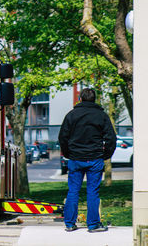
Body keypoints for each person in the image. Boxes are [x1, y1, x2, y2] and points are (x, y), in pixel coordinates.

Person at [58, 88, 117, 233]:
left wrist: (67, 153)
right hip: (95, 158)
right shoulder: (101, 116)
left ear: (80, 99)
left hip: (75, 158)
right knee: (93, 192)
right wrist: (106, 155)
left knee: (73, 191)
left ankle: (70, 224)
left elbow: (62, 137)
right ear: (94, 99)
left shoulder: (71, 115)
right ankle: (93, 225)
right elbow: (111, 138)